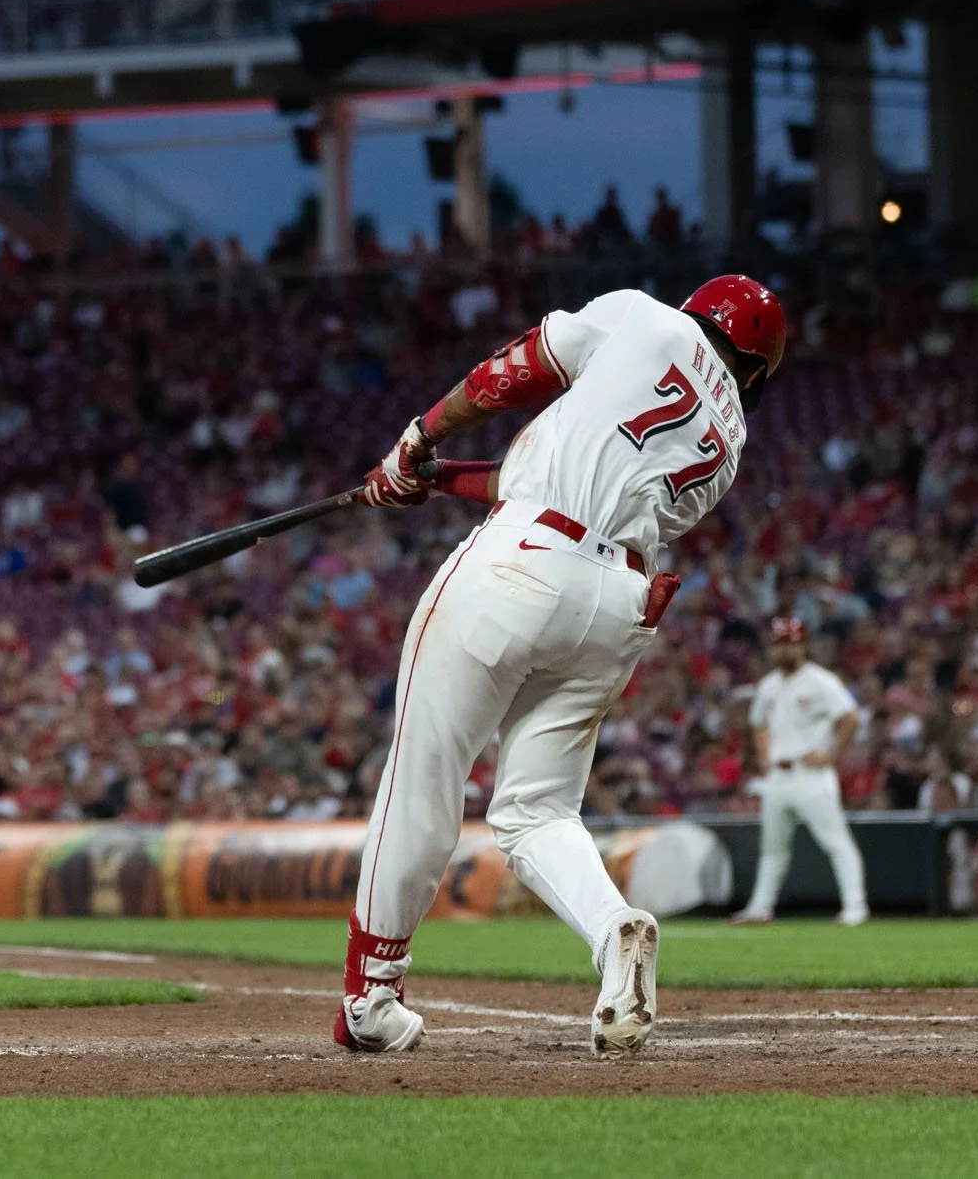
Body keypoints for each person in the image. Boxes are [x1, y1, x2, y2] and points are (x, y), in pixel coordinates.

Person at [341, 274, 785, 1057]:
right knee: (539, 810)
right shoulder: (731, 441)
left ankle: (372, 995)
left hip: (519, 564)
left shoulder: (644, 317)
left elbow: (513, 372)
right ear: (754, 369)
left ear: (699, 308)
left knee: (424, 773)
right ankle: (616, 932)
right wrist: (436, 481)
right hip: (617, 599)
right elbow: (573, 484)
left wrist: (419, 439)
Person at [728, 617, 870, 926]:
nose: (783, 650)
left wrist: (832, 753)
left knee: (836, 842)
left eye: (789, 643)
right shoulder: (768, 685)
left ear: (803, 645)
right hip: (779, 775)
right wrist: (765, 756)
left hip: (811, 774)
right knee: (772, 849)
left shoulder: (820, 680)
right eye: (779, 643)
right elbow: (758, 723)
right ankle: (760, 908)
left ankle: (855, 908)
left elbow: (850, 718)